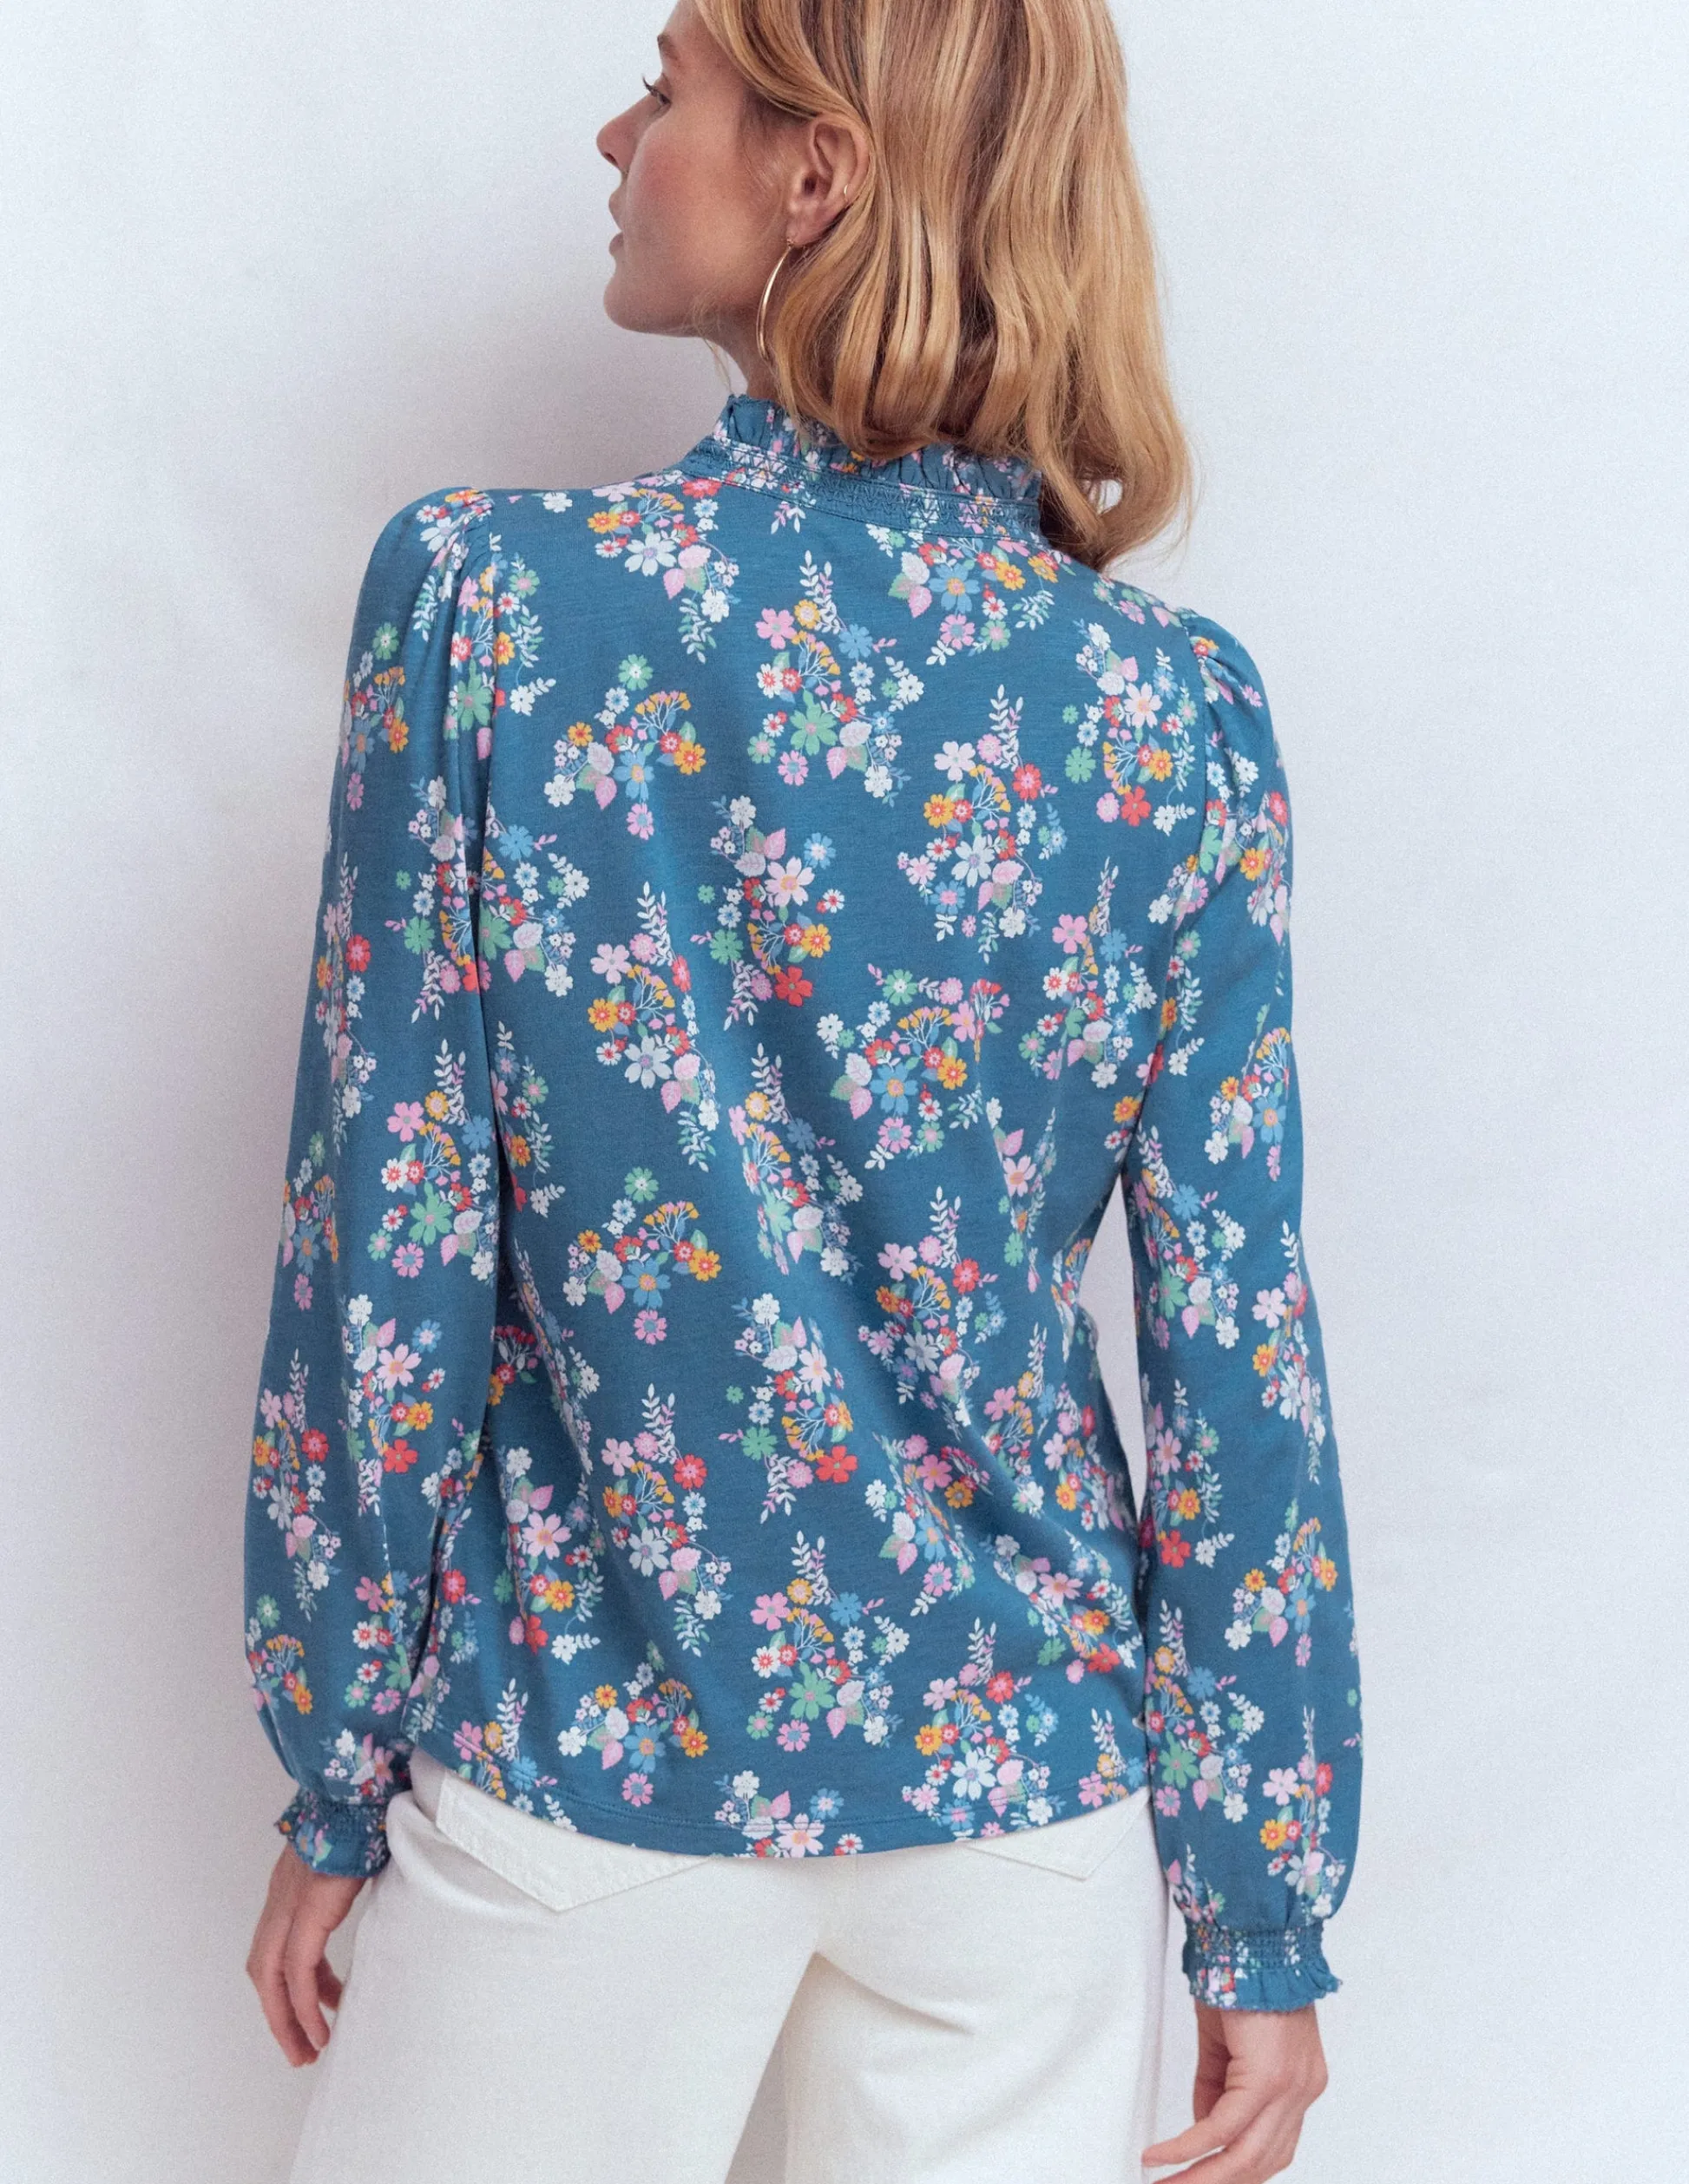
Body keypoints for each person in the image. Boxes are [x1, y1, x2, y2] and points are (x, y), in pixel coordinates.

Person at [243, 2, 1360, 2178]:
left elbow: (387, 1254)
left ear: (817, 173)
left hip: (594, 1764)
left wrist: (336, 1763)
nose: (619, 132)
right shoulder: (1172, 712)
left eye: (669, 83)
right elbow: (1240, 1340)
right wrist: (1260, 1905)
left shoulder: (494, 606)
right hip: (1027, 1820)